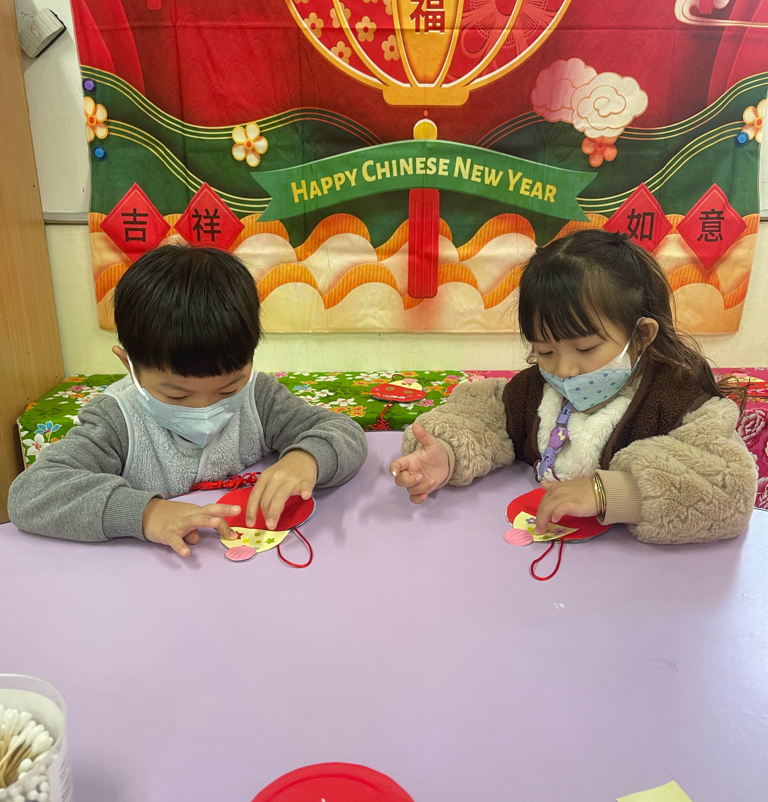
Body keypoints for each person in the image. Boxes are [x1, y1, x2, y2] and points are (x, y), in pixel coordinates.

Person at [390, 229, 756, 544]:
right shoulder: (532, 391)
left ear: (641, 335)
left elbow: (729, 491)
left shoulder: (680, 401)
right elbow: (480, 416)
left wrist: (610, 492)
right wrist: (447, 453)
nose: (564, 370)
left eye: (585, 349)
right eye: (545, 351)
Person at [8, 245, 368, 556]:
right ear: (129, 365)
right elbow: (31, 494)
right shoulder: (116, 421)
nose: (204, 409)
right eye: (176, 394)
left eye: (228, 389)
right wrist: (146, 514)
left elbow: (343, 430)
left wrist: (306, 459)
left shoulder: (260, 397)